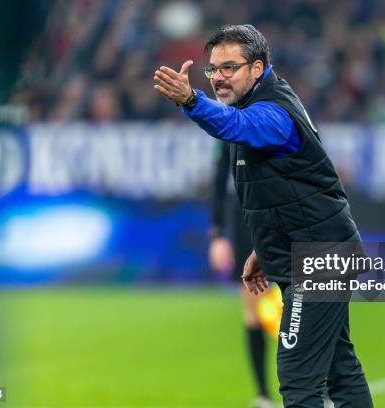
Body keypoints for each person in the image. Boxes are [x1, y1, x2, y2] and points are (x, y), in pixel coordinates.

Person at [153, 24, 373, 408]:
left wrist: (191, 100)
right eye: (213, 69)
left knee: (297, 377)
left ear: (257, 69)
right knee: (340, 369)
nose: (218, 78)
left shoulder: (272, 112)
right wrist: (264, 249)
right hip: (309, 251)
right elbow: (283, 192)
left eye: (229, 68)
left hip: (318, 259)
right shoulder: (259, 104)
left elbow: (233, 125)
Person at [209, 141, 277, 408]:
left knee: (295, 307)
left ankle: (322, 380)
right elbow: (219, 174)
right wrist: (217, 232)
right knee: (255, 310)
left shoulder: (275, 109)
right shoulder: (227, 125)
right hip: (246, 217)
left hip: (285, 211)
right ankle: (263, 394)